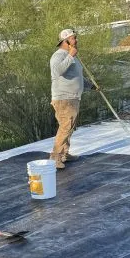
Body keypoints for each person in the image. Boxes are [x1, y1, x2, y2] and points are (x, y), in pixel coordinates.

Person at [49, 28, 84, 170]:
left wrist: (90, 86)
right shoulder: (58, 56)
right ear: (66, 41)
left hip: (73, 97)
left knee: (69, 127)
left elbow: (76, 77)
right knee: (65, 127)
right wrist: (70, 56)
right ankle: (55, 157)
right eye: (73, 38)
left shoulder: (72, 56)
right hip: (64, 98)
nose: (76, 41)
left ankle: (64, 154)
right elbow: (57, 71)